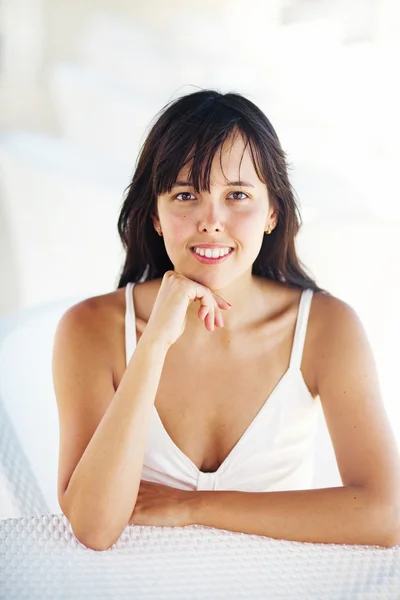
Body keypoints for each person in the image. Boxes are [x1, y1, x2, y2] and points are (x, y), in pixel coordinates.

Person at [52, 90, 400, 551]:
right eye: (185, 194)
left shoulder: (325, 328)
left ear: (273, 211)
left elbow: (385, 515)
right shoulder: (90, 328)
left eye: (237, 195)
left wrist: (192, 507)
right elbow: (94, 528)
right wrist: (153, 344)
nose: (212, 221)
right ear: (156, 216)